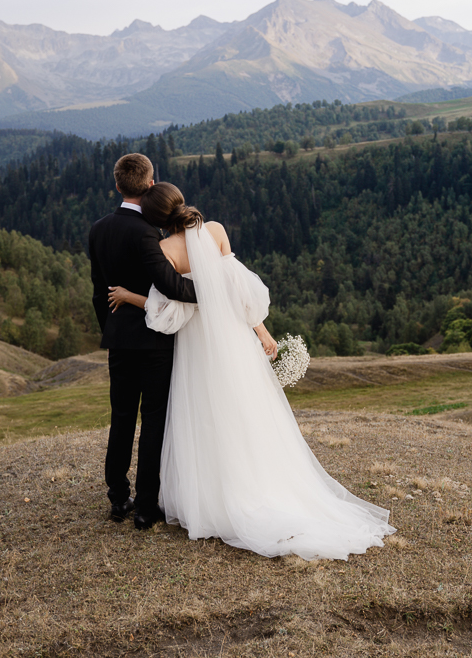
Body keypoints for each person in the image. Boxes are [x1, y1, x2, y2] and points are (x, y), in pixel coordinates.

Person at [107, 182, 394, 560]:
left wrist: (129, 296)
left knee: (206, 414)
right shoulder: (216, 231)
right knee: (244, 410)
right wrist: (261, 330)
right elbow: (240, 290)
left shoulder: (164, 250)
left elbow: (168, 313)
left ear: (157, 219)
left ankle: (214, 496)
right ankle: (260, 481)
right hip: (233, 340)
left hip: (198, 345)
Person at [88, 154, 199, 531]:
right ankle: (145, 507)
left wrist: (112, 327)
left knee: (120, 418)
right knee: (153, 420)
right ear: (150, 184)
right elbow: (170, 286)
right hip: (154, 342)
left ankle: (118, 496)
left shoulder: (98, 229)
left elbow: (97, 293)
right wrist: (217, 291)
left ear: (118, 186)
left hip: (119, 339)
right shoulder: (147, 233)